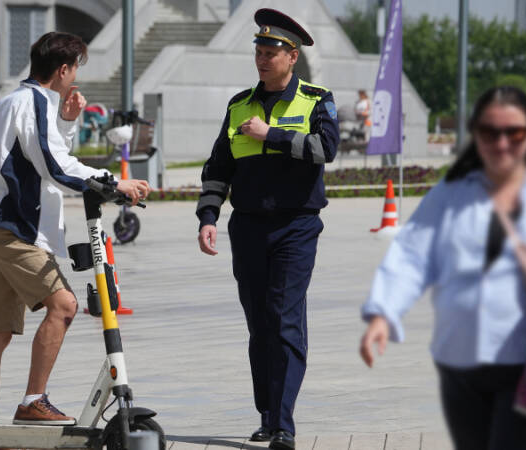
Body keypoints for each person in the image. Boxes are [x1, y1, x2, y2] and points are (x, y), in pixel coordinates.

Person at [359, 86, 526, 450]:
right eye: (490, 132)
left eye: (514, 133)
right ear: (475, 135)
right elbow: (412, 253)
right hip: (459, 360)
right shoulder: (452, 192)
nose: (502, 143)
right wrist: (383, 313)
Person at [0, 31, 150, 425]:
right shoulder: (31, 101)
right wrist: (113, 183)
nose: (75, 77)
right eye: (76, 68)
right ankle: (33, 401)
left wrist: (66, 120)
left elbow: (45, 155)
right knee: (64, 306)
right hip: (11, 225)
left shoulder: (20, 100)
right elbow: (55, 166)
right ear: (63, 70)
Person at [195, 9, 339, 450]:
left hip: (296, 226)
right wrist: (208, 217)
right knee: (259, 324)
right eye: (258, 51)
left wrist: (270, 134)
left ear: (292, 56)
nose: (262, 59)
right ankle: (267, 415)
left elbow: (326, 148)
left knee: (284, 320)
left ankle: (284, 426)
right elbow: (218, 168)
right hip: (248, 228)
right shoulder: (239, 104)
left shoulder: (316, 99)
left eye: (271, 52)